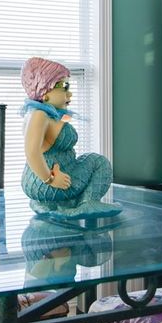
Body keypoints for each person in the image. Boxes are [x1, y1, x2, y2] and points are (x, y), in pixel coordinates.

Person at [19, 57, 119, 217]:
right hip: (50, 181)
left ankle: (55, 204)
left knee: (91, 160)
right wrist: (50, 179)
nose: (69, 92)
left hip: (44, 180)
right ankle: (86, 204)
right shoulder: (39, 115)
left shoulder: (42, 114)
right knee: (100, 163)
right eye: (64, 86)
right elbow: (31, 152)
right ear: (45, 90)